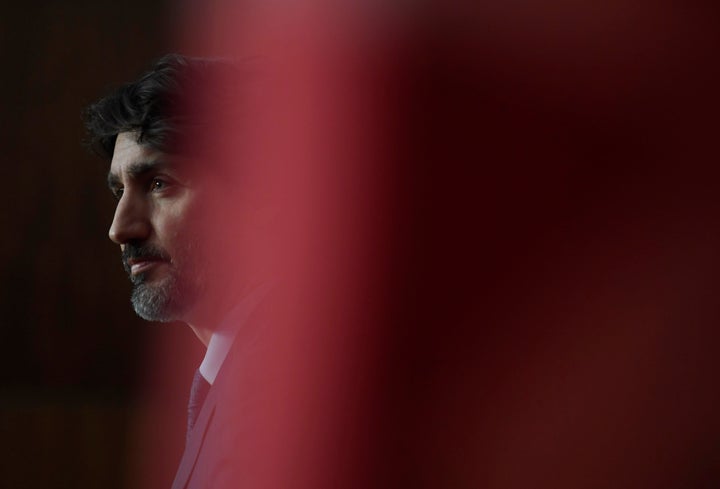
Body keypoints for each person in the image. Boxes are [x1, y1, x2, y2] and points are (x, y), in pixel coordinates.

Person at [84, 53, 274, 489]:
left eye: (158, 184)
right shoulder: (233, 370)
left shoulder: (285, 389)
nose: (119, 228)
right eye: (119, 189)